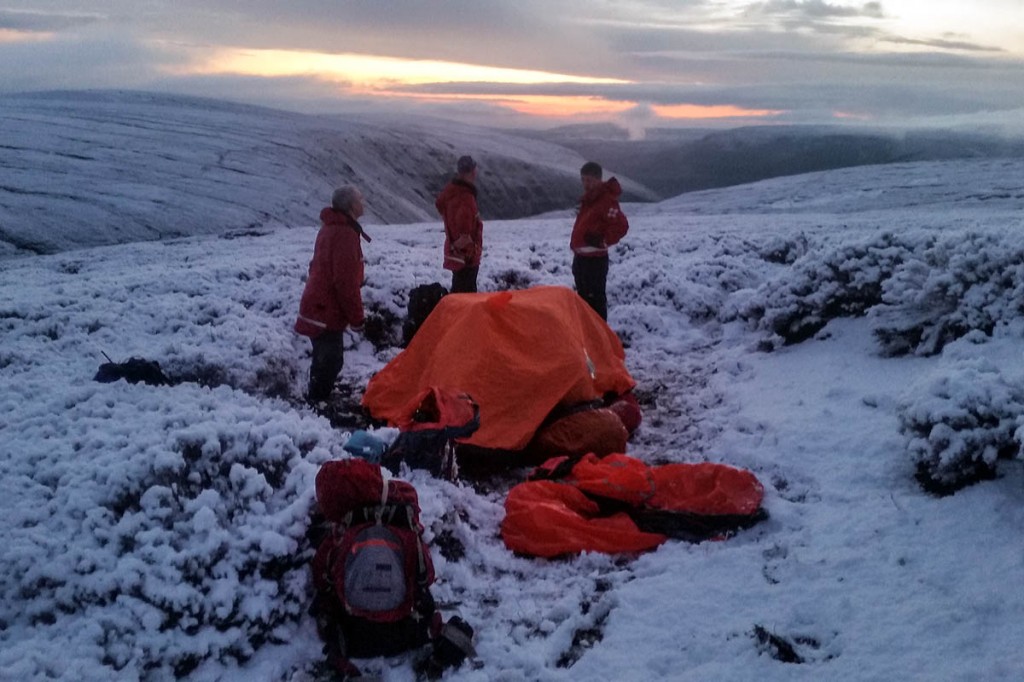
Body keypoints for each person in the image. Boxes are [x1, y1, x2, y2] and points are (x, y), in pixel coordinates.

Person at [294, 186, 371, 403]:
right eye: (360, 199)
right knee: (331, 360)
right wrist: (357, 318)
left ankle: (316, 399)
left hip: (317, 304)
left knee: (324, 358)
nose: (363, 202)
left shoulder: (330, 229)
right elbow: (345, 282)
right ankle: (317, 403)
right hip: (325, 309)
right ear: (351, 206)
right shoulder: (345, 234)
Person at [570, 161, 629, 320]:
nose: (585, 184)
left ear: (598, 179)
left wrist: (603, 240)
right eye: (583, 180)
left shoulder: (606, 201)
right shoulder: (589, 199)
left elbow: (621, 226)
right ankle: (590, 338)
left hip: (594, 262)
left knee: (595, 302)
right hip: (582, 259)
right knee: (584, 300)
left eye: (589, 180)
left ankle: (601, 339)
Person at [436, 155, 483, 293]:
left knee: (458, 291)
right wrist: (471, 250)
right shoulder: (466, 198)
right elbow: (465, 234)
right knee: (466, 297)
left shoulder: (451, 191)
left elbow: (440, 204)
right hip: (466, 258)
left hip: (455, 254)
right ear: (472, 171)